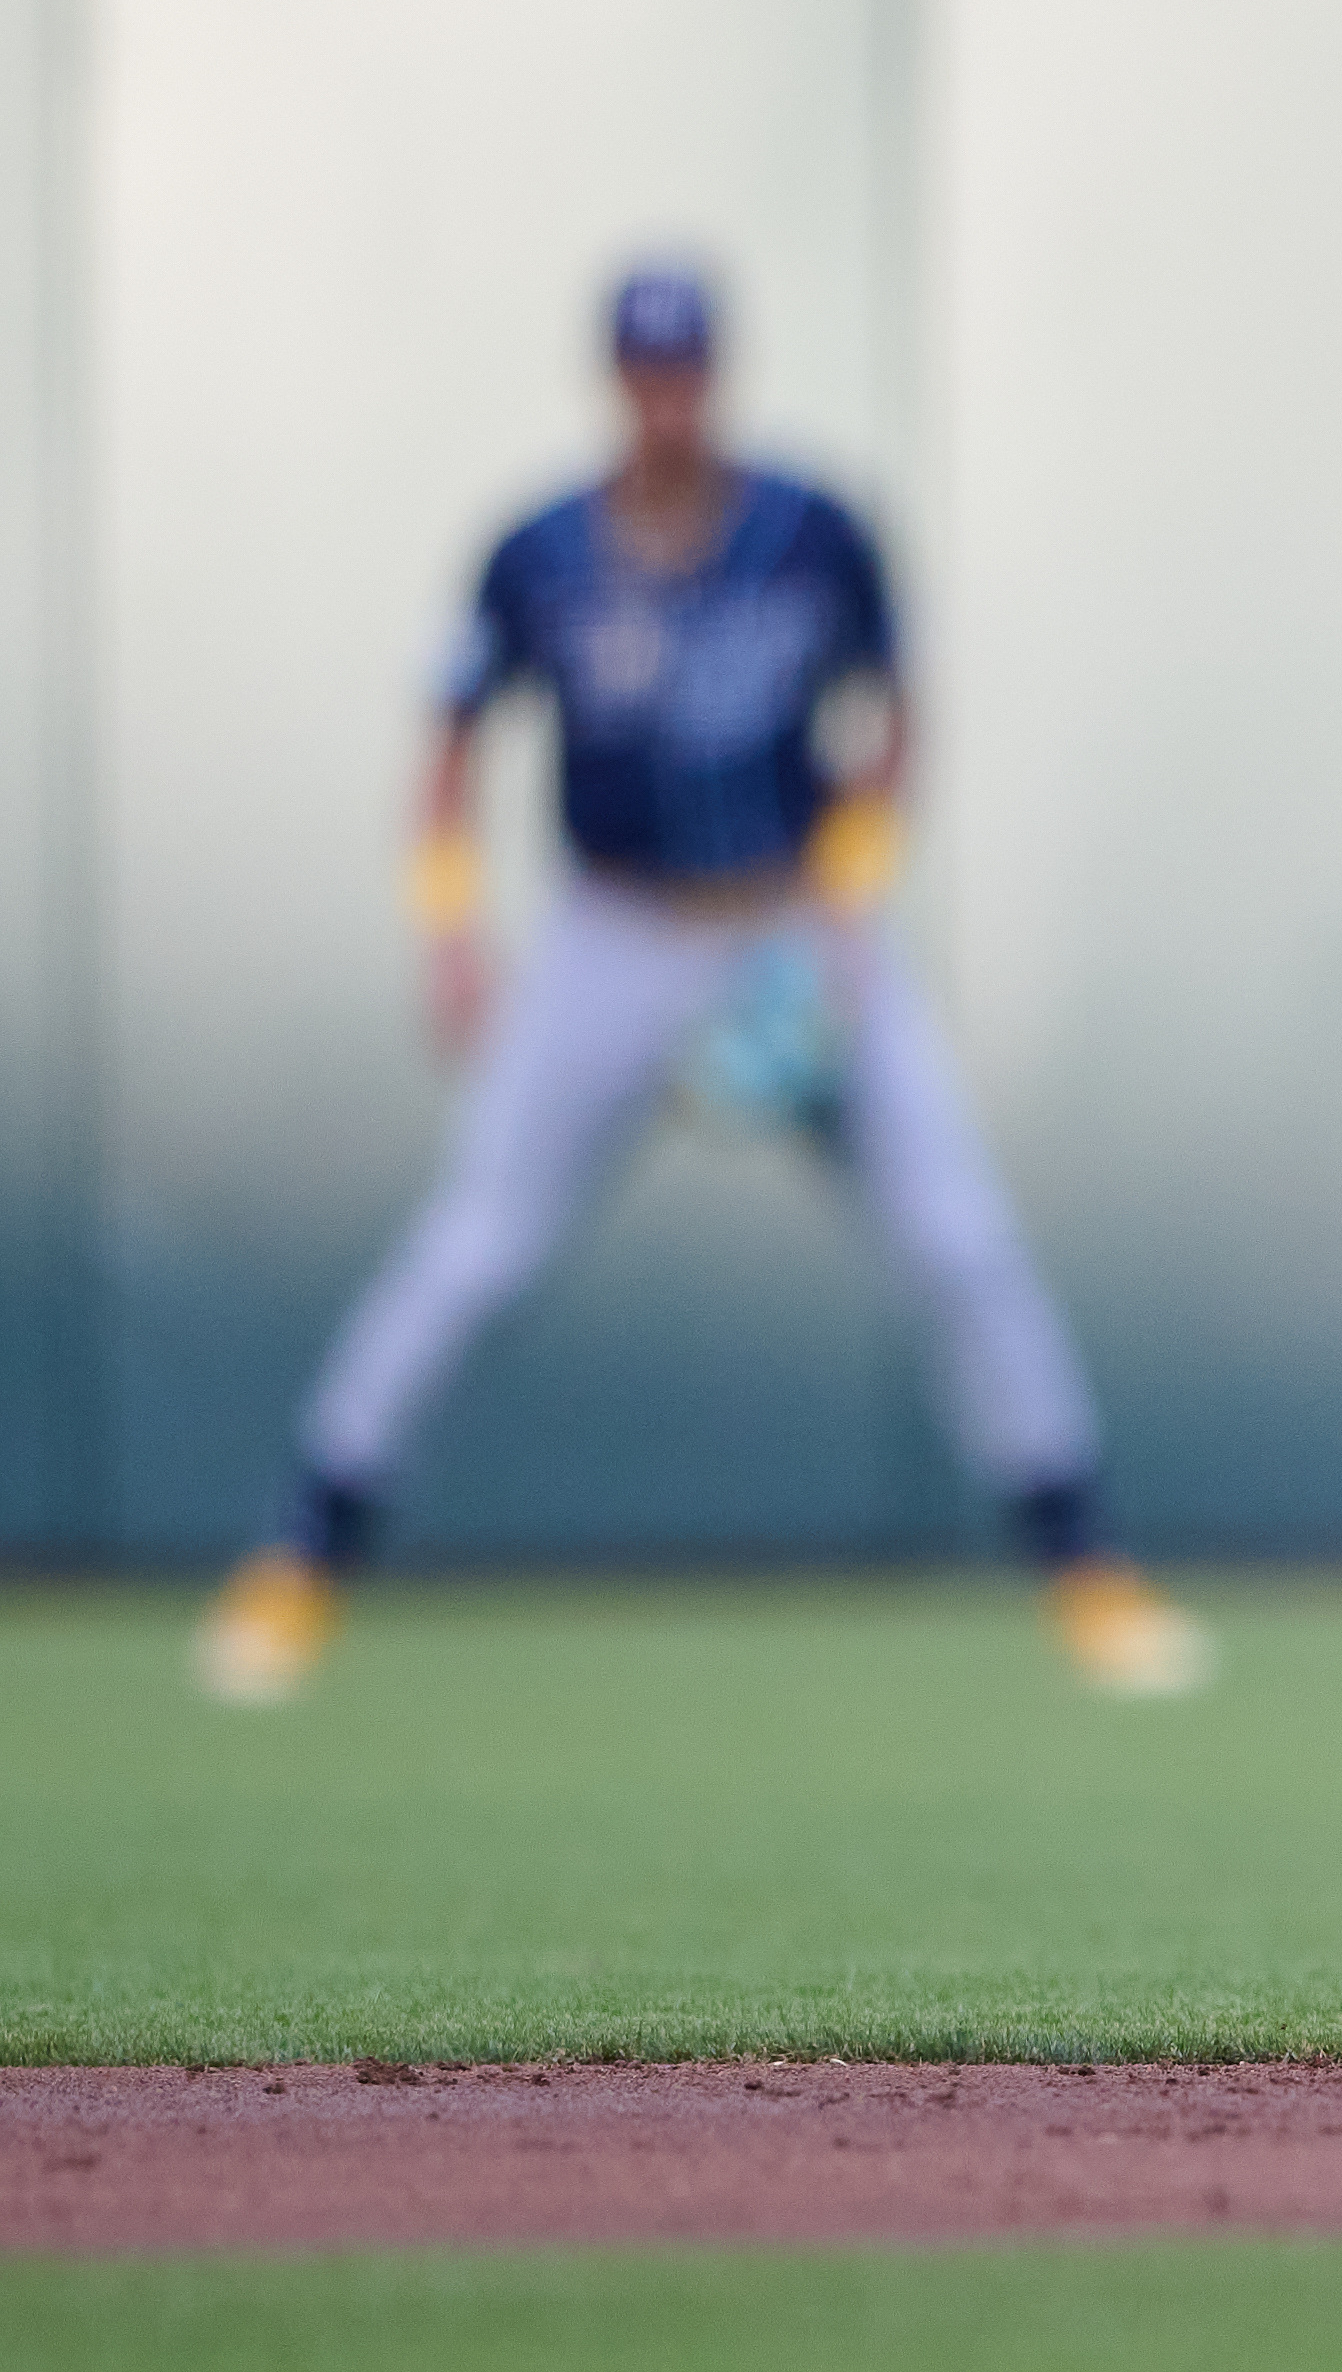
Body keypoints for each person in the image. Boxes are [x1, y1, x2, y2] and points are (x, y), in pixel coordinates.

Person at [189, 265, 1209, 1705]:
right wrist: (453, 929)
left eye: (687, 372)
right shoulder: (538, 551)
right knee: (474, 1258)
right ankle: (298, 1562)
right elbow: (449, 747)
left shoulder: (813, 531)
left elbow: (899, 715)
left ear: (720, 375)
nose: (667, 400)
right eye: (642, 373)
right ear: (609, 380)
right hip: (612, 938)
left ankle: (1087, 1569)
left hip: (795, 922)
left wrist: (851, 890)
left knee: (963, 1240)